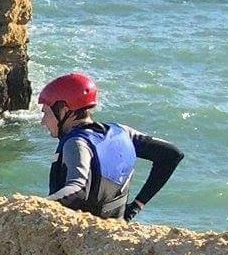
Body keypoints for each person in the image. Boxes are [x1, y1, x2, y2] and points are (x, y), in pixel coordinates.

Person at [38, 72, 185, 221]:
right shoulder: (122, 132)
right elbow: (171, 154)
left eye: (45, 112)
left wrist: (33, 208)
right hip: (115, 230)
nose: (43, 121)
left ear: (63, 109)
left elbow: (78, 189)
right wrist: (136, 205)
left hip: (81, 237)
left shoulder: (77, 142)